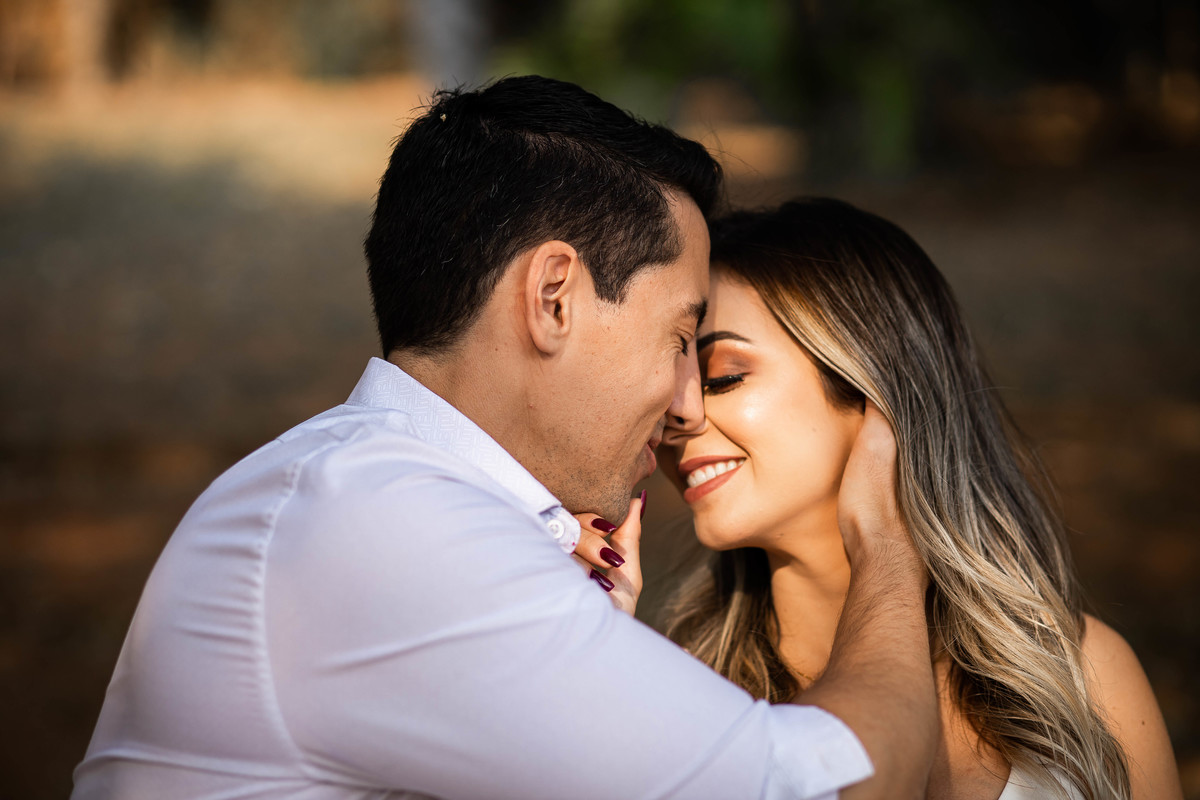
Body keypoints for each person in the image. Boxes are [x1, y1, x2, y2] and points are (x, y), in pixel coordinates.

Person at [71, 77, 937, 800]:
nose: (685, 406)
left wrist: (590, 653)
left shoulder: (363, 493)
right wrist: (889, 549)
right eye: (680, 339)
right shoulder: (387, 522)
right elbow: (828, 786)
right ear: (553, 296)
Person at [660, 197, 1184, 800]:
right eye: (669, 378)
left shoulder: (1080, 677)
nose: (678, 412)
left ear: (873, 389)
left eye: (722, 374)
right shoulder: (684, 702)